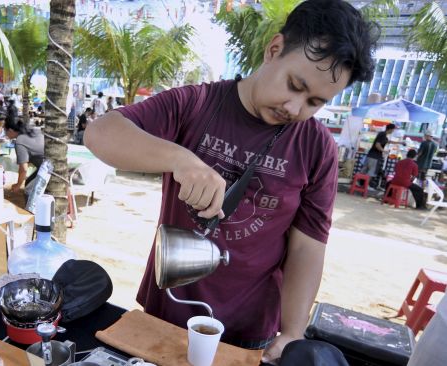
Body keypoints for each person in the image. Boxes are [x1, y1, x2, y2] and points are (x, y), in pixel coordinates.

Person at [84, 0, 378, 362]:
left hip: (250, 332)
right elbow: (101, 133)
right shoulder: (197, 104)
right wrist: (179, 158)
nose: (294, 107)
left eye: (314, 101)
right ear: (274, 50)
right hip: (167, 315)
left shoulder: (317, 148)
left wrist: (292, 332)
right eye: (294, 85)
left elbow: (307, 248)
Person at [4, 119, 45, 192]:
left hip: (49, 170)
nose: (5, 134)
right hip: (53, 164)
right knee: (28, 182)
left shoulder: (20, 141)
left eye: (5, 131)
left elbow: (24, 169)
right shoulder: (33, 131)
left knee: (28, 189)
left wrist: (18, 185)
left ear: (10, 130)